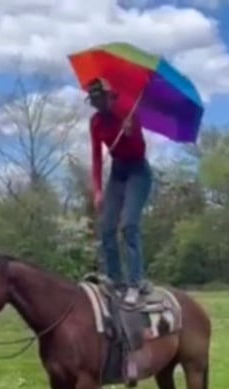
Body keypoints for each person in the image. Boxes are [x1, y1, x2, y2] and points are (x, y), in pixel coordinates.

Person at [87, 77, 153, 306]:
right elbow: (96, 157)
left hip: (138, 171)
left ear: (109, 97)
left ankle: (135, 283)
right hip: (117, 173)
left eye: (99, 99)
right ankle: (115, 281)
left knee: (128, 225)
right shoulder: (95, 123)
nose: (96, 103)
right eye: (93, 100)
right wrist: (97, 190)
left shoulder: (127, 113)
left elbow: (139, 151)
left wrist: (130, 133)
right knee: (106, 227)